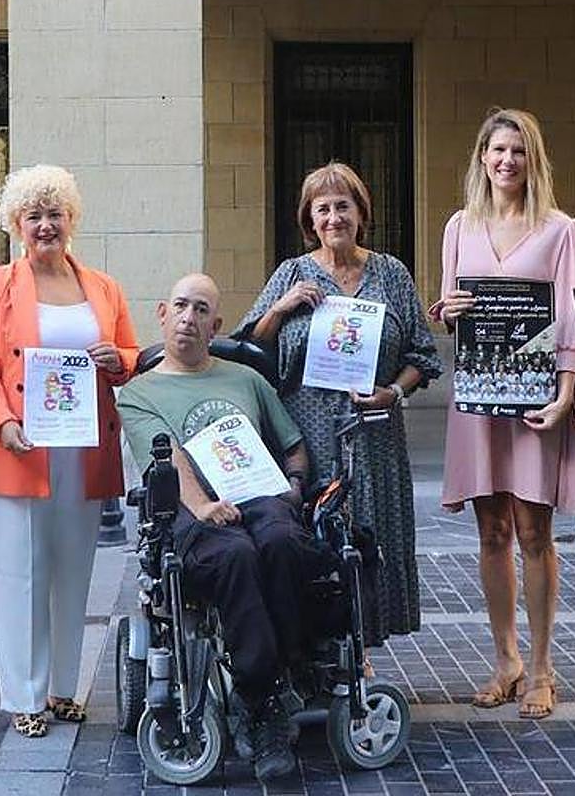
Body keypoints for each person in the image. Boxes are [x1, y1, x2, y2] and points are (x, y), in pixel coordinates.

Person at [119, 273, 333, 783]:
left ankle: (265, 686)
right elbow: (165, 457)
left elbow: (292, 442)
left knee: (283, 541)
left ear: (215, 326)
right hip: (191, 511)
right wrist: (204, 504)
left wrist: (297, 485)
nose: (189, 319)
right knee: (234, 555)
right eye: (180, 307)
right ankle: (264, 698)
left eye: (201, 311)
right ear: (162, 314)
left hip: (261, 496)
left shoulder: (248, 380)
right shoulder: (139, 392)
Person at [0, 164, 139, 738]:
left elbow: (131, 354)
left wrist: (120, 362)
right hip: (19, 448)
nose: (45, 225)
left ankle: (65, 689)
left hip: (82, 449)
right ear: (16, 224)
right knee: (19, 574)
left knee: (73, 571)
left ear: (71, 220)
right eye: (33, 215)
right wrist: (0, 423)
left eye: (54, 214)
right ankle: (24, 696)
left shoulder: (103, 286)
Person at [235, 162, 442, 655]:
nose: (333, 218)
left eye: (343, 206)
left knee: (372, 540)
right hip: (308, 433)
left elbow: (423, 356)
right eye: (322, 209)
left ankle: (361, 657)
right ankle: (319, 650)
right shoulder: (292, 273)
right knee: (313, 538)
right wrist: (281, 308)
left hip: (373, 434)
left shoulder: (391, 273)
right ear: (310, 219)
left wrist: (393, 393)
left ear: (360, 212)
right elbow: (249, 349)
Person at [431, 108, 575, 719]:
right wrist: (446, 310)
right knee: (491, 533)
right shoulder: (458, 227)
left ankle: (544, 668)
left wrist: (566, 394)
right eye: (498, 150)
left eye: (519, 151)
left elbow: (571, 317)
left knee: (534, 533)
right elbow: (445, 311)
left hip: (535, 400)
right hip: (478, 402)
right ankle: (506, 660)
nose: (507, 161)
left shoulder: (560, 230)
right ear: (482, 157)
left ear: (533, 159)